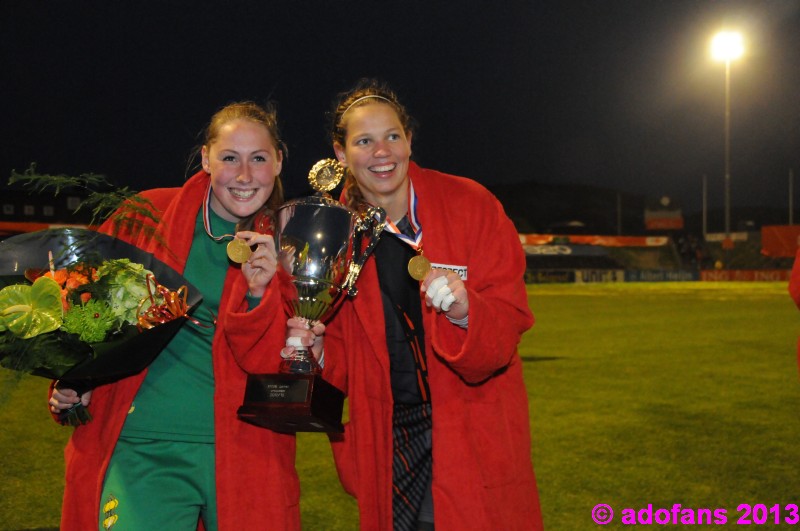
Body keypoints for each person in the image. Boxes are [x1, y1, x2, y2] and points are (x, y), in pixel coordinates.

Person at [288, 79, 544, 530]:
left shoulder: (472, 205)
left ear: (409, 139)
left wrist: (467, 313)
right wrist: (319, 351)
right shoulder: (331, 233)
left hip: (470, 425)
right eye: (364, 141)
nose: (381, 152)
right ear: (341, 152)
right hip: (389, 431)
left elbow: (509, 319)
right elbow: (347, 355)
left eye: (392, 136)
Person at [49, 101, 301, 530]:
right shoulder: (145, 216)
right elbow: (78, 310)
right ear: (205, 158)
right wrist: (72, 379)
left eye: (258, 158)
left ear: (278, 162)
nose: (244, 175)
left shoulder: (290, 245)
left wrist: (261, 296)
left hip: (248, 451)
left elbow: (283, 365)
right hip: (141, 445)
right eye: (229, 158)